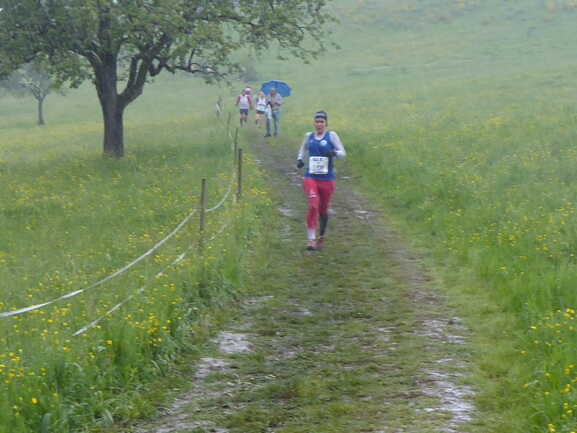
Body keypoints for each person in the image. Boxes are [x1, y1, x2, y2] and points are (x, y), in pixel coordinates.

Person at [296, 111, 346, 251]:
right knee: (313, 205)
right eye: (317, 122)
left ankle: (321, 236)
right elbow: (302, 149)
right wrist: (299, 159)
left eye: (321, 122)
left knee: (323, 210)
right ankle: (311, 239)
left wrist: (334, 153)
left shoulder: (332, 136)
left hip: (327, 179)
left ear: (326, 123)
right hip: (311, 177)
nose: (319, 124)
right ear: (314, 123)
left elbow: (343, 153)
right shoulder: (309, 136)